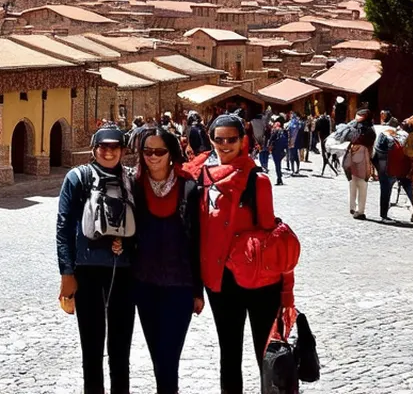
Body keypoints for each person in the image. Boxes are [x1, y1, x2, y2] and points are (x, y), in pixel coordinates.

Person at [186, 115, 294, 394]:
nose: (225, 145)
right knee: (229, 354)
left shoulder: (258, 181)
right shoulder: (202, 179)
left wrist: (287, 290)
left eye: (231, 139)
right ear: (210, 140)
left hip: (261, 282)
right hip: (221, 281)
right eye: (219, 139)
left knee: (266, 354)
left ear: (242, 140)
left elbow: (273, 238)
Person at [57, 126, 136, 394]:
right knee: (91, 349)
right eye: (103, 146)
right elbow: (64, 226)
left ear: (122, 150)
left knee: (120, 350)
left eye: (115, 147)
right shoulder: (77, 178)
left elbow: (141, 224)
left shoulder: (130, 180)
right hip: (87, 271)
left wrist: (126, 243)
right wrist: (67, 272)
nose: (108, 152)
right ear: (94, 148)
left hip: (123, 273)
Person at [132, 129, 203, 394]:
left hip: (179, 285)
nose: (153, 157)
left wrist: (198, 290)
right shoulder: (134, 186)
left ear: (171, 153)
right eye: (147, 151)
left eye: (159, 151)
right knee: (158, 358)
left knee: (169, 357)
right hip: (144, 285)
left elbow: (197, 240)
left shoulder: (188, 188)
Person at [345, 111, 376, 219]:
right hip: (364, 156)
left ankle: (352, 207)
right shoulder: (370, 130)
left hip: (353, 154)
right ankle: (360, 211)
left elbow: (349, 138)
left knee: (353, 182)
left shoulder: (354, 128)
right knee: (362, 184)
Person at [267, 120, 288, 186]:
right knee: (279, 164)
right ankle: (279, 176)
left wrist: (269, 148)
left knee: (277, 164)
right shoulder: (283, 131)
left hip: (275, 150)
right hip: (282, 150)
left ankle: (279, 178)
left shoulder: (275, 131)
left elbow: (271, 139)